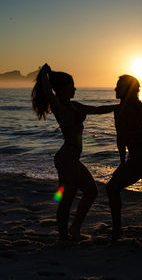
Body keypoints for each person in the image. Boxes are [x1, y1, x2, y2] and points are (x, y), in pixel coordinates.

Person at [31, 63, 117, 242]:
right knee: (74, 196)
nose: (75, 88)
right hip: (67, 158)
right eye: (71, 85)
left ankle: (70, 231)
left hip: (70, 158)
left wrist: (117, 107)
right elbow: (48, 91)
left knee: (82, 194)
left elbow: (96, 110)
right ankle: (68, 234)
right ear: (62, 90)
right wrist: (45, 73)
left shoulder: (75, 106)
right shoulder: (58, 105)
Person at [106, 75, 142, 242]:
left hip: (141, 155)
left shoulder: (124, 108)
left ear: (127, 89)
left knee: (112, 188)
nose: (115, 89)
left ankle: (117, 231)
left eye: (118, 86)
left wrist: (123, 161)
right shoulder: (138, 105)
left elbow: (122, 138)